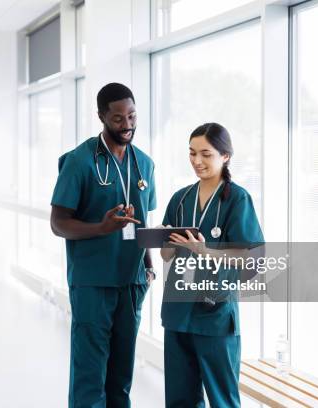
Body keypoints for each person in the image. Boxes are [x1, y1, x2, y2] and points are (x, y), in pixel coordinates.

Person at [50, 83, 157, 408]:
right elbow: (58, 223)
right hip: (93, 282)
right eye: (117, 118)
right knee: (90, 373)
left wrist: (149, 267)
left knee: (121, 375)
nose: (127, 125)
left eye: (132, 116)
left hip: (132, 281)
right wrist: (101, 227)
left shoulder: (145, 164)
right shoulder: (80, 162)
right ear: (101, 117)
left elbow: (143, 221)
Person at [159, 122, 264, 407]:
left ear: (225, 156)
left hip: (215, 313)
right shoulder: (180, 199)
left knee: (222, 398)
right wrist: (165, 242)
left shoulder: (238, 199)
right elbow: (167, 258)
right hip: (178, 311)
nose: (197, 161)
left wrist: (205, 251)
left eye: (206, 154)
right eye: (192, 153)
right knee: (180, 398)